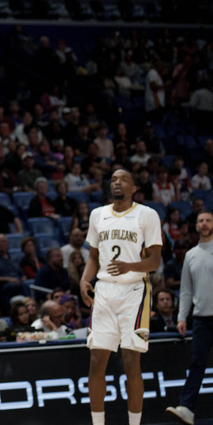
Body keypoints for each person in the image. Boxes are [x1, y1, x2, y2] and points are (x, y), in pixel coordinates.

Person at [80, 170, 162, 425]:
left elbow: (155, 260)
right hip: (104, 290)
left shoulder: (146, 214)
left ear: (134, 187)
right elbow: (93, 257)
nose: (117, 182)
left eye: (123, 179)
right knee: (97, 361)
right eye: (114, 179)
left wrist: (130, 266)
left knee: (130, 361)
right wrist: (84, 280)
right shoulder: (98, 214)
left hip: (134, 291)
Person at [166, 210, 213, 425]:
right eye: (201, 221)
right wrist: (182, 318)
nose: (204, 224)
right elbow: (185, 291)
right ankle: (186, 409)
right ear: (196, 226)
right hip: (201, 320)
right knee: (197, 364)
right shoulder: (191, 255)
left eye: (208, 220)